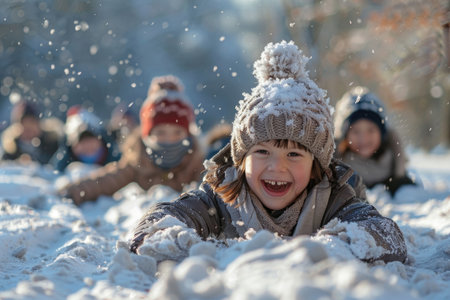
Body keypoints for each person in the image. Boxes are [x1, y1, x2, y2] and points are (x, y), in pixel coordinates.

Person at [129, 41, 407, 263]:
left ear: (316, 165)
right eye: (262, 152)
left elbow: (385, 234)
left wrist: (334, 245)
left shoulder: (333, 199)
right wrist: (171, 238)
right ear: (241, 159)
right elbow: (159, 218)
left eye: (294, 155)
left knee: (353, 188)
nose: (277, 167)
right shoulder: (222, 199)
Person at [58, 75, 205, 205]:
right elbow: (106, 181)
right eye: (160, 132)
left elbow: (214, 189)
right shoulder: (138, 161)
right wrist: (73, 192)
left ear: (188, 134)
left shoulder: (197, 163)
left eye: (177, 132)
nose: (169, 139)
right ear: (147, 134)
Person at [334, 86, 415, 196]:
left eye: (370, 130)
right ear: (345, 135)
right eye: (356, 131)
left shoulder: (397, 174)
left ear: (382, 133)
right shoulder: (336, 177)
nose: (363, 138)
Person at [51, 105, 121, 172]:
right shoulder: (62, 168)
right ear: (72, 147)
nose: (87, 145)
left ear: (101, 140)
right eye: (82, 142)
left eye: (90, 140)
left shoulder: (118, 161)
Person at [0, 100, 62, 164]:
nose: (29, 127)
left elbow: (58, 167)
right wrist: (17, 163)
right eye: (24, 123)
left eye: (32, 122)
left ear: (39, 124)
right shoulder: (11, 149)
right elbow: (4, 168)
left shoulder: (51, 144)